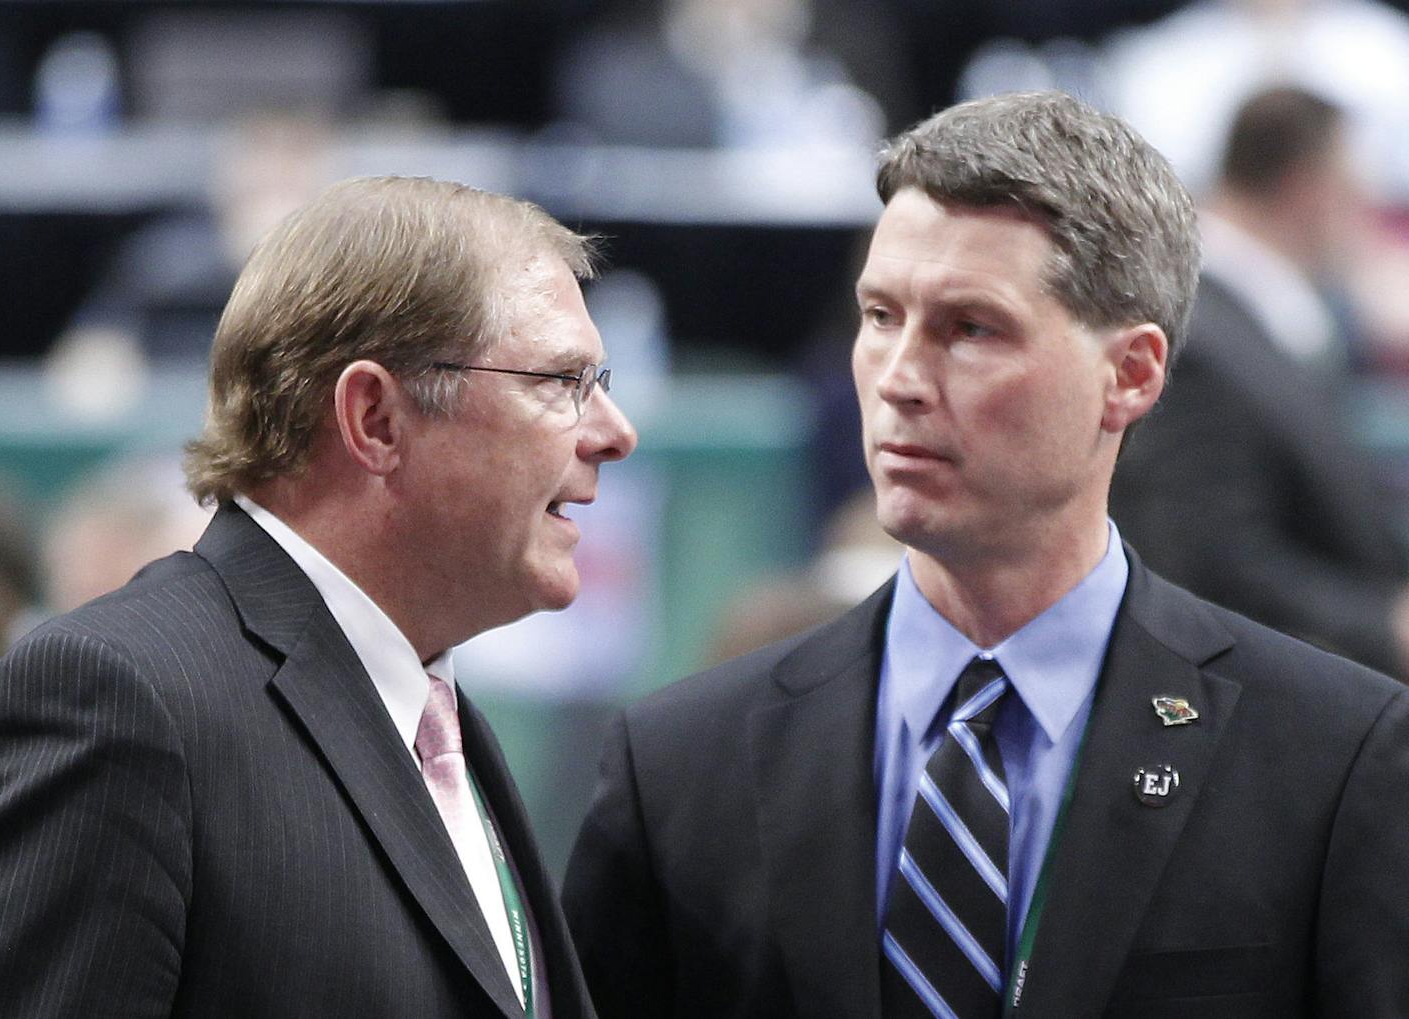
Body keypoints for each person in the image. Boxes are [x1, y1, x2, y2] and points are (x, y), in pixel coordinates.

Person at [561, 92, 1409, 1018]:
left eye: (971, 328)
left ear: (1130, 373)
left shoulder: (1330, 758)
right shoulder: (680, 765)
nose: (899, 380)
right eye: (880, 316)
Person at [0, 175, 636, 1017]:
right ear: (375, 419)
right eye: (560, 381)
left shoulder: (435, 718)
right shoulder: (122, 697)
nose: (615, 431)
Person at [1111, 85, 1409, 679]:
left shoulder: (1265, 317)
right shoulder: (1200, 340)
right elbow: (1210, 559)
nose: (1364, 218)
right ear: (1306, 188)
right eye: (1355, 193)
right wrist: (1384, 626)